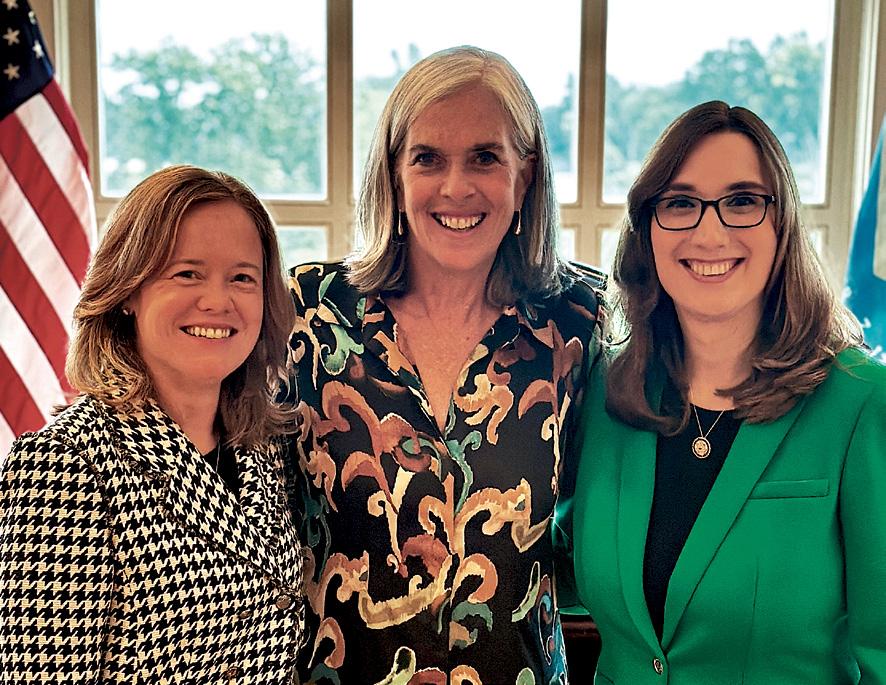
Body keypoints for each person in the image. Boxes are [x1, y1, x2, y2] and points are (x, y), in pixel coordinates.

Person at [283, 46, 603, 684]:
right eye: (427, 158)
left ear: (526, 177)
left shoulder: (578, 320)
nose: (456, 187)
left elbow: (609, 512)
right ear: (394, 177)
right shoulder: (308, 311)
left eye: (485, 157)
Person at [563, 101, 886, 683]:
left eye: (742, 201)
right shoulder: (609, 392)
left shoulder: (861, 403)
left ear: (782, 224)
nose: (710, 232)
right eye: (680, 203)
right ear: (647, 230)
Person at [0, 165, 305, 682]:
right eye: (187, 273)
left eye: (242, 278)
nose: (217, 301)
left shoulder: (264, 445)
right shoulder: (65, 464)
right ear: (127, 291)